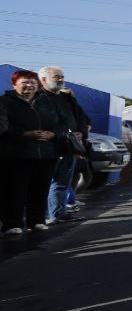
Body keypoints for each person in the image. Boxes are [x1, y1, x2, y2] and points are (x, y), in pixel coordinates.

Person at [1, 70, 71, 235]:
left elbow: (63, 122)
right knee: (15, 190)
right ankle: (12, 224)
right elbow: (3, 126)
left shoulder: (47, 102)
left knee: (40, 188)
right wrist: (24, 134)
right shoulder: (5, 102)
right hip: (17, 154)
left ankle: (36, 220)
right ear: (14, 85)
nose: (29, 86)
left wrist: (53, 133)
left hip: (46, 153)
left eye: (33, 82)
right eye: (24, 82)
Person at [39, 66, 89, 224]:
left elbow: (82, 118)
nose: (60, 79)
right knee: (45, 183)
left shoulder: (67, 98)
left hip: (68, 147)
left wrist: (81, 132)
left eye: (62, 76)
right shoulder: (37, 97)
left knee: (62, 183)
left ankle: (59, 213)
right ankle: (43, 217)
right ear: (43, 79)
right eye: (56, 77)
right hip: (47, 147)